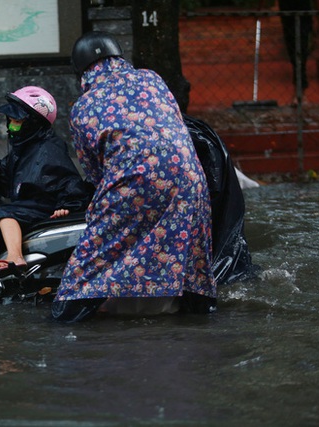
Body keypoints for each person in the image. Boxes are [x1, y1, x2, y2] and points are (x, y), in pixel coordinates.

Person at [51, 31, 217, 322]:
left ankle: (67, 316)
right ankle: (201, 315)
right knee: (189, 262)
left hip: (134, 180)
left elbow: (95, 174)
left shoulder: (82, 108)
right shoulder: (153, 79)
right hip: (191, 178)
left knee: (82, 279)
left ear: (81, 70)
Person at [0, 86, 91, 281]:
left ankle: (15, 258)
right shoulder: (24, 148)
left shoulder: (49, 149)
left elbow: (68, 179)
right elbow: (2, 174)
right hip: (34, 204)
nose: (12, 126)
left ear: (33, 123)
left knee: (7, 213)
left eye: (18, 121)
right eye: (11, 120)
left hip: (45, 207)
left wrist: (66, 205)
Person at [277, 0, 319, 105]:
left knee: (301, 55)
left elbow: (318, 2)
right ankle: (298, 91)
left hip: (304, 20)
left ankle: (300, 92)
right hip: (287, 19)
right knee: (293, 55)